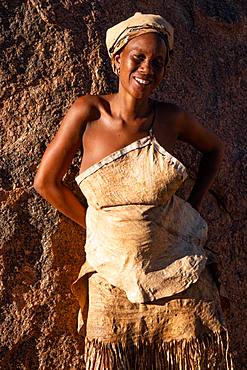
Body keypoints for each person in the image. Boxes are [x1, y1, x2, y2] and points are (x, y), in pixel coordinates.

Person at [34, 12, 233, 370]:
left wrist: (193, 206)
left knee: (196, 357)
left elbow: (214, 149)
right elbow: (46, 182)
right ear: (117, 59)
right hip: (111, 272)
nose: (146, 68)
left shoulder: (171, 118)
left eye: (157, 62)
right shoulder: (89, 111)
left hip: (177, 269)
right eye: (137, 57)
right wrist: (97, 228)